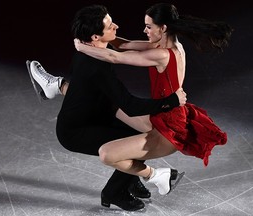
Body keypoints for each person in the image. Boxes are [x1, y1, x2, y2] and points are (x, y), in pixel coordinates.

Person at [28, 4, 187, 211]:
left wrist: (82, 47)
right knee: (135, 140)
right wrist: (171, 102)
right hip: (76, 131)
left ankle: (56, 85)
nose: (116, 26)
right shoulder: (96, 65)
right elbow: (129, 105)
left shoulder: (93, 54)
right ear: (95, 37)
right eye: (110, 25)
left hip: (96, 111)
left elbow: (120, 49)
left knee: (139, 132)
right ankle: (116, 191)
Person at [72, 2, 230, 186]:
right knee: (109, 104)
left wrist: (81, 46)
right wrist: (105, 37)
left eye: (148, 26)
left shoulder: (162, 55)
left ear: (163, 28)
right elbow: (123, 45)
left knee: (107, 154)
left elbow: (115, 57)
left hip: (168, 128)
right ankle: (59, 86)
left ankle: (156, 176)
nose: (145, 30)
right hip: (161, 116)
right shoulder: (170, 46)